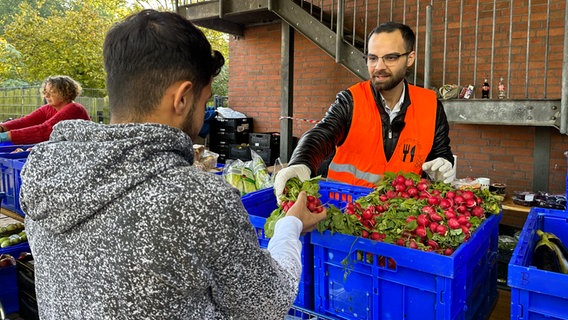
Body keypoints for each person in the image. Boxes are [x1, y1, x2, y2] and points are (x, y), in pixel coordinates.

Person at [21, 9, 326, 320]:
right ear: (182, 98)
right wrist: (291, 225)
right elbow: (265, 303)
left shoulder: (43, 171)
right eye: (206, 100)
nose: (203, 111)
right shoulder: (198, 198)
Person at [274, 22, 455, 198]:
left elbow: (440, 152)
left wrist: (443, 167)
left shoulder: (430, 104)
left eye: (390, 57)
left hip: (401, 218)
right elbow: (323, 133)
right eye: (372, 58)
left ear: (410, 58)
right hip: (346, 210)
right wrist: (301, 162)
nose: (379, 67)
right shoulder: (350, 100)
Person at [0, 75, 90, 144]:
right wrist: (2, 127)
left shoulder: (74, 109)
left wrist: (5, 136)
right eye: (45, 92)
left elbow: (45, 131)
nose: (46, 96)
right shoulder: (48, 108)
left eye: (52, 92)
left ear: (65, 93)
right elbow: (26, 121)